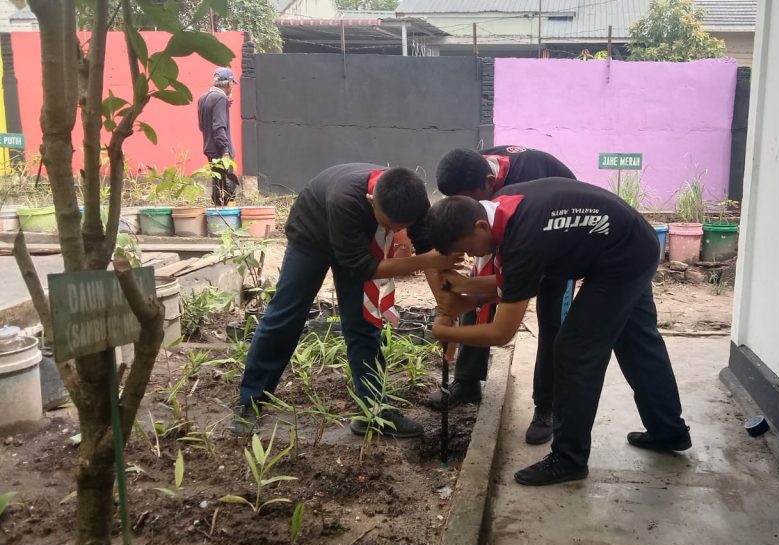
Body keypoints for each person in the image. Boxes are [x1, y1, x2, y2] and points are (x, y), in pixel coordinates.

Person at [425, 178, 691, 486]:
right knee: (637, 343)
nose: (472, 256)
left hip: (621, 259)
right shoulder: (504, 206)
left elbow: (501, 333)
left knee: (575, 350)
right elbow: (515, 283)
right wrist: (463, 298)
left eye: (468, 249)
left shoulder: (523, 237)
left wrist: (445, 331)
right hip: (629, 240)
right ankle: (669, 430)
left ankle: (569, 458)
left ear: (481, 227)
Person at [233, 164, 460, 438]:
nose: (391, 231)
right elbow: (363, 266)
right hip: (312, 238)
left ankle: (373, 412)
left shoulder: (413, 201)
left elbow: (429, 255)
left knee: (363, 324)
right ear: (371, 200)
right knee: (284, 316)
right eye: (387, 225)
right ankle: (250, 401)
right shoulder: (344, 200)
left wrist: (445, 311)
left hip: (359, 243)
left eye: (398, 229)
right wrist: (423, 260)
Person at [431, 146, 575, 445]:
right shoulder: (471, 168)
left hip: (558, 248)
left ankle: (546, 406)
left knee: (552, 324)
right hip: (508, 233)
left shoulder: (530, 177)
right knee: (476, 287)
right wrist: (451, 298)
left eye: (469, 201)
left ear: (487, 182)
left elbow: (503, 327)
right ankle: (467, 382)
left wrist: (448, 325)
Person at [197, 67, 238, 206]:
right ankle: (229, 221)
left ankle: (217, 215)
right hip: (221, 150)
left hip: (209, 148)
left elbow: (202, 125)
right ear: (229, 83)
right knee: (228, 189)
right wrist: (225, 150)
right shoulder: (220, 99)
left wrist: (225, 104)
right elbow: (219, 126)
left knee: (217, 185)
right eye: (232, 83)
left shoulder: (203, 98)